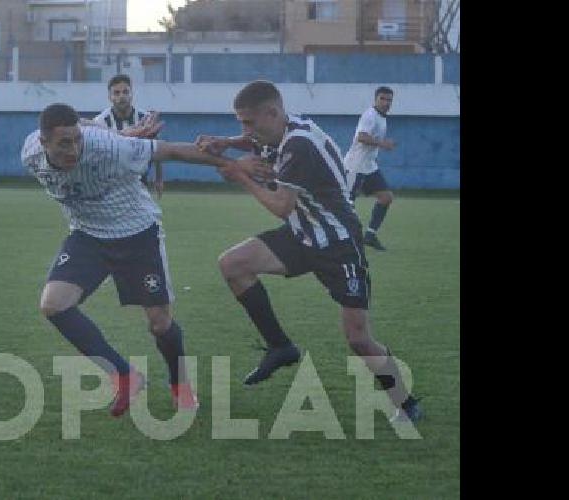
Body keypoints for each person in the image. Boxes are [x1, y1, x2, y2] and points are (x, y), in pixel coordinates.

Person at [198, 81, 422, 423]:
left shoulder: (299, 146)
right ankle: (280, 347)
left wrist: (240, 175)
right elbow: (255, 142)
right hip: (304, 235)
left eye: (248, 122)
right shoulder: (285, 128)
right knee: (233, 264)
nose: (245, 130)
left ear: (272, 113)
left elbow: (281, 205)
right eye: (240, 123)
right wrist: (226, 142)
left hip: (338, 245)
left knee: (359, 340)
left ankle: (405, 403)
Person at [22, 103, 261, 417]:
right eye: (64, 143)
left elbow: (174, 151)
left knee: (160, 324)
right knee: (53, 304)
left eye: (77, 139)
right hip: (88, 236)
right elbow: (86, 121)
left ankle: (180, 384)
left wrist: (236, 165)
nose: (73, 149)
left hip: (137, 233)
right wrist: (121, 130)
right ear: (43, 143)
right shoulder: (30, 154)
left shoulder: (112, 149)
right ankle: (124, 375)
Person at [90, 74, 164, 198]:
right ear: (110, 97)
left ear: (131, 94)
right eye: (116, 93)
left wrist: (159, 178)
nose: (121, 96)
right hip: (111, 179)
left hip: (139, 178)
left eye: (125, 92)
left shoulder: (145, 118)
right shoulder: (101, 121)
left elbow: (157, 148)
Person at [343, 86, 397, 251]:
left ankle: (370, 236)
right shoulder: (370, 115)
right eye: (382, 99)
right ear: (375, 99)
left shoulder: (382, 117)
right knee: (347, 205)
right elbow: (361, 137)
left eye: (389, 100)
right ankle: (344, 241)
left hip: (369, 167)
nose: (386, 103)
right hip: (355, 167)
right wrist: (383, 143)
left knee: (386, 197)